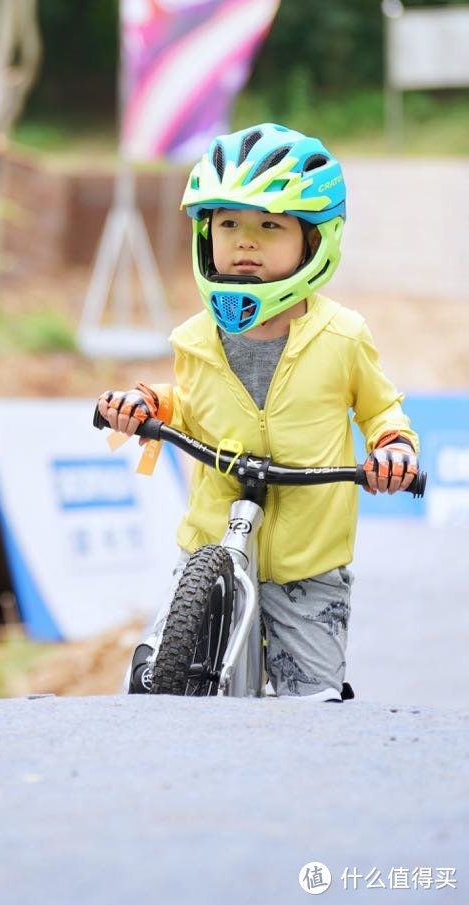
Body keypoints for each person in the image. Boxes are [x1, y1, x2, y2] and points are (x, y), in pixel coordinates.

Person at [97, 122, 419, 701]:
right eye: (228, 224)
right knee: (153, 683)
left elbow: (381, 410)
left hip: (305, 562)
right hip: (211, 545)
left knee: (311, 704)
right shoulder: (195, 338)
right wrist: (145, 404)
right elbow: (189, 406)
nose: (245, 242)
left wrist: (392, 448)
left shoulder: (342, 336)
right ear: (206, 235)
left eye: (270, 225)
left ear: (314, 240)